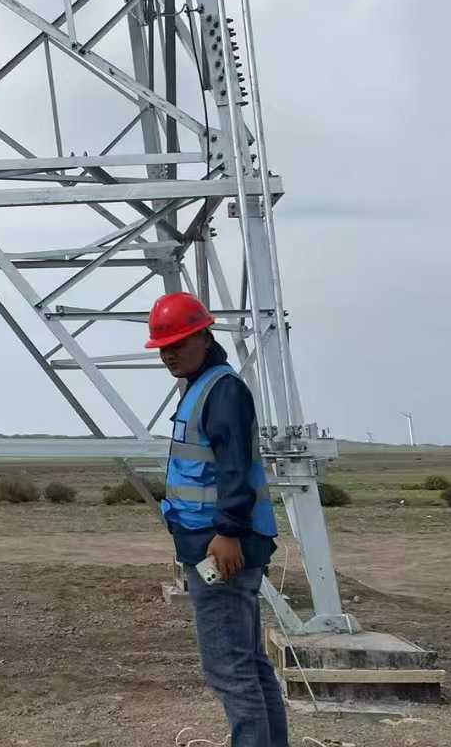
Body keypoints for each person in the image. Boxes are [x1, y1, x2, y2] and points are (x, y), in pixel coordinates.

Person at [147, 293, 286, 747]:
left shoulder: (221, 391)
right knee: (248, 664)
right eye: (164, 348)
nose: (170, 354)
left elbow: (233, 469)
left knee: (229, 669)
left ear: (205, 337)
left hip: (222, 550)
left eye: (179, 344)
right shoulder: (204, 386)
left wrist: (227, 531)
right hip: (214, 546)